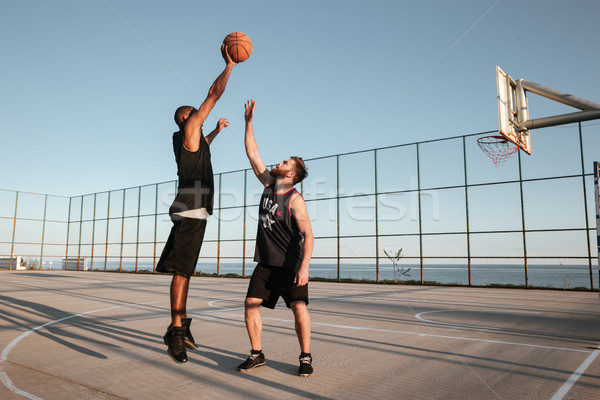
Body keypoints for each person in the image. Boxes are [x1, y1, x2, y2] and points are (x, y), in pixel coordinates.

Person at [156, 44, 236, 364]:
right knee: (181, 271)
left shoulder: (191, 139)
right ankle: (175, 330)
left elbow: (203, 143)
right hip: (190, 208)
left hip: (194, 209)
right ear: (188, 118)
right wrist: (230, 66)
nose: (203, 116)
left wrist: (215, 131)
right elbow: (213, 95)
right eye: (198, 114)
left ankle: (181, 323)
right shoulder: (189, 128)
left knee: (185, 271)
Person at [237, 99, 315, 377]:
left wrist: (304, 267)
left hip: (291, 265)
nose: (278, 162)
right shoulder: (269, 184)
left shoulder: (295, 200)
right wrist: (248, 122)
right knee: (250, 304)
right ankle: (257, 354)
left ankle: (305, 357)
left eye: (284, 162)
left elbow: (308, 235)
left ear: (291, 173)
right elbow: (252, 152)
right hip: (267, 263)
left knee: (298, 307)